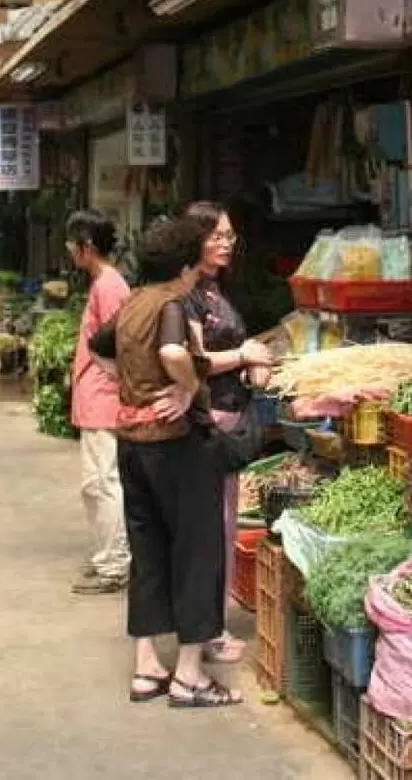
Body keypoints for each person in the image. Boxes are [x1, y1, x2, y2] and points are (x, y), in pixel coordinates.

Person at [89, 217, 240, 708]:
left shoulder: (134, 302)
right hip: (179, 445)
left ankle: (146, 668)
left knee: (148, 552)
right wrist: (186, 386)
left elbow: (99, 348)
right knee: (196, 552)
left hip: (134, 443)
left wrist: (134, 389)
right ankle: (189, 677)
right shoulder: (172, 303)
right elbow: (174, 349)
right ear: (183, 263)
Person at [181, 201, 274, 664]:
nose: (225, 244)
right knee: (209, 529)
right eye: (216, 236)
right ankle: (207, 631)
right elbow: (194, 361)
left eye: (230, 236)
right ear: (194, 239)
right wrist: (245, 356)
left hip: (230, 413)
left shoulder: (217, 289)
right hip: (208, 420)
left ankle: (210, 623)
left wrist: (253, 365)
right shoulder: (190, 294)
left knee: (222, 525)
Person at [66, 211, 132, 595]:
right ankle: (107, 557)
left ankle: (113, 565)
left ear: (86, 247)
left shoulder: (108, 286)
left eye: (72, 245)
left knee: (102, 482)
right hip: (97, 399)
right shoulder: (106, 283)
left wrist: (110, 380)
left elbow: (120, 347)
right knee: (99, 482)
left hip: (103, 401)